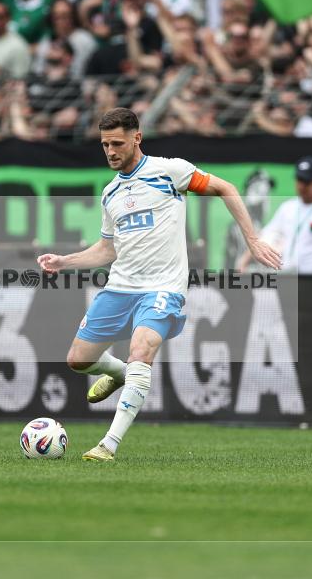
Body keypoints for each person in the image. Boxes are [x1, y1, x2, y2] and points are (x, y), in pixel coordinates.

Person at [36, 108, 280, 461]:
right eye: (105, 145)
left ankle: (108, 445)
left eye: (117, 143)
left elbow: (225, 187)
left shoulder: (169, 172)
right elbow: (107, 249)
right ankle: (121, 374)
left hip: (163, 287)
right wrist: (65, 262)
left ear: (137, 138)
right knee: (78, 360)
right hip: (121, 286)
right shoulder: (110, 194)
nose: (110, 151)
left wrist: (253, 241)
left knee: (141, 350)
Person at [236, 157, 312, 274]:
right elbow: (266, 235)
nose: (302, 185)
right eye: (299, 179)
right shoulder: (287, 207)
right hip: (288, 280)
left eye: (307, 181)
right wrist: (244, 262)